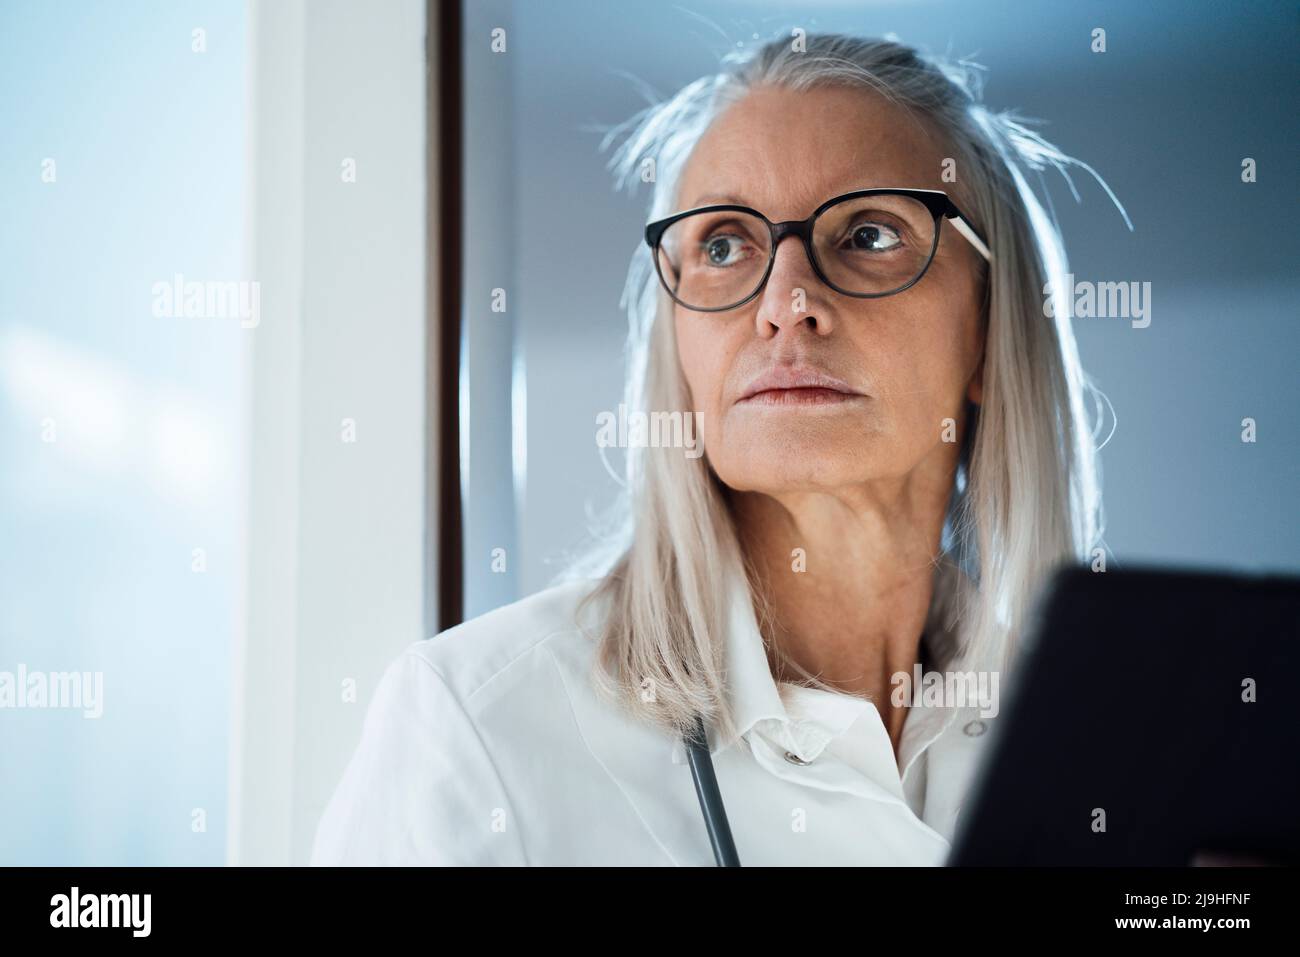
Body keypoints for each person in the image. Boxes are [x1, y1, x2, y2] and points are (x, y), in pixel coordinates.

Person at [311, 33, 1115, 866]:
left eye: (870, 234)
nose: (787, 304)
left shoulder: (1099, 744)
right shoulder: (478, 728)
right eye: (724, 246)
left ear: (990, 331)